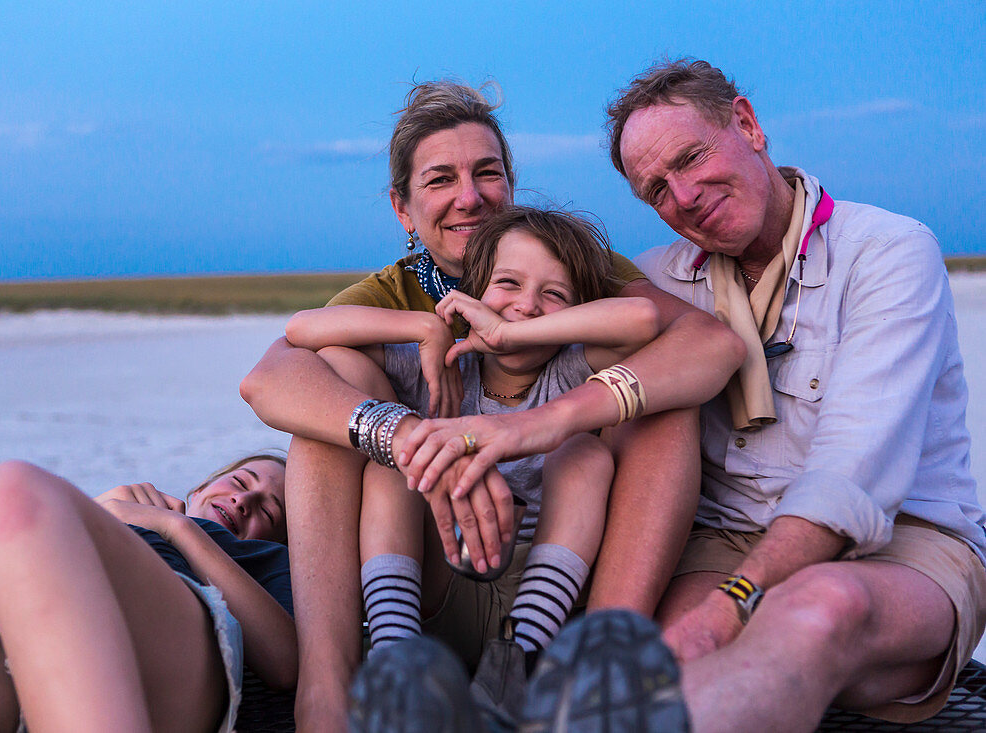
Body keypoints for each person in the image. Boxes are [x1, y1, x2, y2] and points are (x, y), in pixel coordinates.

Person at [240, 79, 744, 732]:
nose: (470, 197)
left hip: (561, 559)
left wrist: (539, 421)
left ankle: (594, 672)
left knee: (658, 398)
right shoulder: (392, 295)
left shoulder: (561, 261)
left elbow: (701, 342)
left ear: (510, 182)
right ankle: (329, 692)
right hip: (436, 567)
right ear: (403, 207)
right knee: (333, 398)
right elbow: (272, 376)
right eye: (441, 179)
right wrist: (415, 437)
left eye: (488, 173)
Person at [507, 58, 986, 732]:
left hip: (899, 545)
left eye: (691, 157)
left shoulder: (886, 252)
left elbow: (854, 474)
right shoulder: (658, 283)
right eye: (657, 189)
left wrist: (736, 600)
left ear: (747, 124)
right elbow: (534, 336)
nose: (684, 195)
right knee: (658, 661)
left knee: (819, 610)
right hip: (725, 540)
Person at [287, 206, 658, 667]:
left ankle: (518, 660)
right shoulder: (443, 368)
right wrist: (424, 326)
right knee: (391, 470)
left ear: (577, 313)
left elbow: (643, 318)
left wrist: (509, 330)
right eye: (507, 284)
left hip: (551, 592)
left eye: (554, 294)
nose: (526, 305)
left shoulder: (572, 369)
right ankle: (396, 658)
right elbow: (303, 329)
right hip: (444, 582)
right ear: (473, 292)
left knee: (583, 453)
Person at [0, 453, 296, 732]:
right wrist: (95, 509)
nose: (244, 500)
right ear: (204, 484)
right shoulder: (112, 510)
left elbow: (283, 660)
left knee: (11, 486)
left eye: (267, 511)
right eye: (241, 481)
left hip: (159, 646)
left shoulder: (265, 559)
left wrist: (179, 529)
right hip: (3, 633)